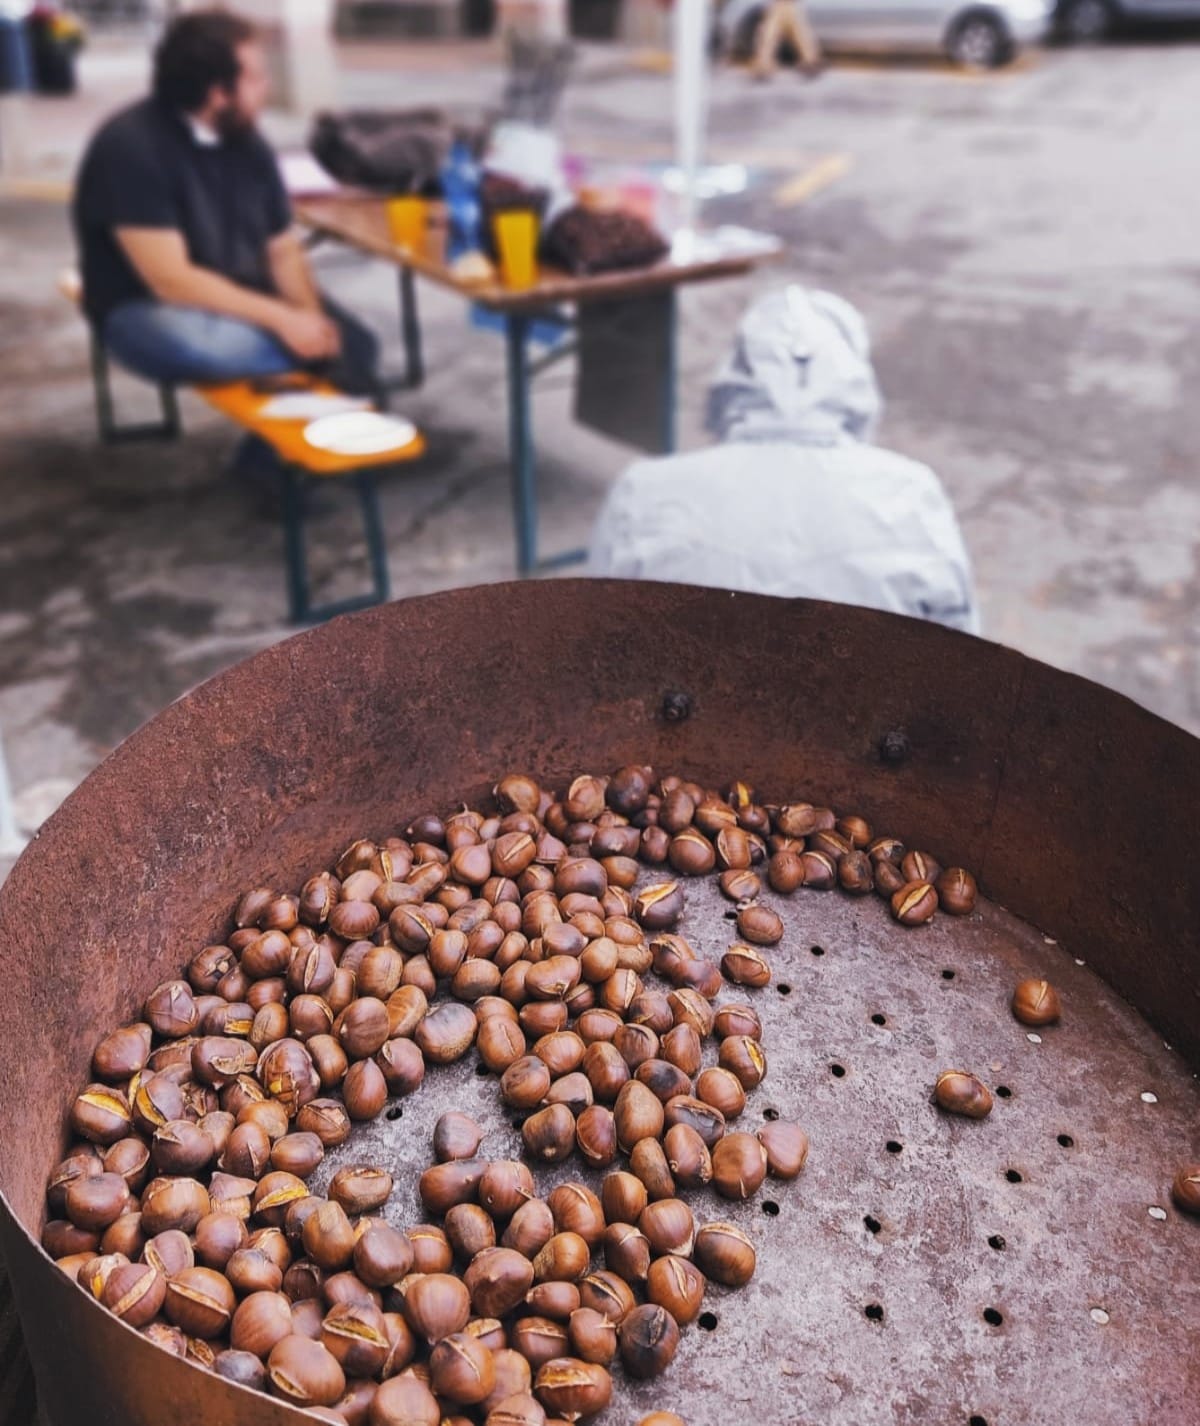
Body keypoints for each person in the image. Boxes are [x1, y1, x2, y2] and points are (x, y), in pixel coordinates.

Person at [588, 286, 981, 635]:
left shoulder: (643, 490)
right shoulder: (912, 492)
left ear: (733, 377)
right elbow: (966, 656)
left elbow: (597, 645)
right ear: (856, 383)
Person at [72, 9, 380, 398]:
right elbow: (171, 280)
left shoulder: (248, 144)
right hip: (144, 307)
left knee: (353, 343)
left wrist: (308, 316)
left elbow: (282, 249)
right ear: (218, 93)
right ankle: (311, 390)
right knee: (201, 346)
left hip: (236, 295)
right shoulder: (131, 147)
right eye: (255, 78)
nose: (266, 87)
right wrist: (284, 321)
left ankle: (266, 460)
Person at [753, 0, 823, 80]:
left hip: (790, 7)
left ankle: (810, 61)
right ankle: (763, 65)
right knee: (769, 33)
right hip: (778, 7)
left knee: (801, 33)